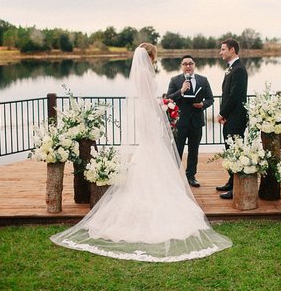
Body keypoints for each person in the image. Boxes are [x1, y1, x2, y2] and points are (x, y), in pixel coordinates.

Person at [50, 43, 232, 262]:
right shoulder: (146, 72)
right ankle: (159, 192)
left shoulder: (141, 72)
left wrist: (165, 105)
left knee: (149, 152)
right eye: (154, 55)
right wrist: (165, 106)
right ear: (149, 56)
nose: (155, 59)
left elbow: (151, 98)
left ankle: (159, 185)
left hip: (146, 115)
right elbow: (153, 100)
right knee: (153, 150)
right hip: (149, 115)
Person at [166, 55, 214, 187]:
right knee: (177, 151)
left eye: (190, 63)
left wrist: (203, 105)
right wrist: (181, 91)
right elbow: (169, 98)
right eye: (185, 64)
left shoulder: (203, 80)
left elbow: (210, 99)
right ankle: (174, 177)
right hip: (180, 123)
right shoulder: (175, 80)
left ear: (194, 65)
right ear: (181, 66)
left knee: (194, 151)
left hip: (196, 123)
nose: (188, 66)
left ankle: (191, 176)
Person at [215, 38, 248, 200]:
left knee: (235, 152)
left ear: (232, 50)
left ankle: (237, 188)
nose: (220, 52)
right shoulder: (232, 68)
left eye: (223, 49)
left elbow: (234, 96)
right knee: (230, 151)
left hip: (235, 118)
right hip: (230, 117)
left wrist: (222, 114)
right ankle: (231, 181)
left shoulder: (239, 70)